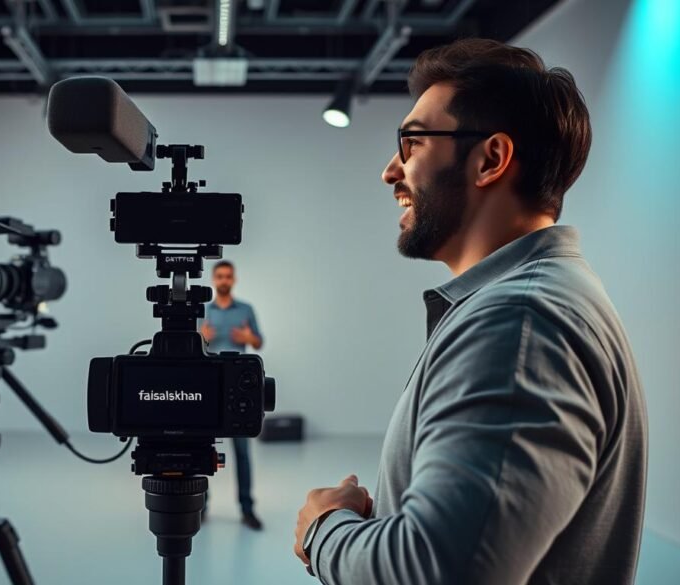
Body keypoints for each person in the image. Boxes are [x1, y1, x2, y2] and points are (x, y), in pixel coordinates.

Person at [293, 38, 647, 584]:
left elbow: (441, 571)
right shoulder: (532, 301)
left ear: (490, 160)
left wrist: (325, 529)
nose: (391, 171)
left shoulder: (521, 324)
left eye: (411, 144)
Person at [200, 260, 265, 530]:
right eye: (220, 276)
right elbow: (189, 344)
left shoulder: (246, 309)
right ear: (215, 280)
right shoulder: (203, 310)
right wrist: (200, 335)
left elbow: (259, 342)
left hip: (238, 387)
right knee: (201, 450)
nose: (224, 280)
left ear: (233, 279)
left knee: (242, 452)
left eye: (228, 276)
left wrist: (249, 337)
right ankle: (201, 506)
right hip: (208, 386)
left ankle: (247, 509)